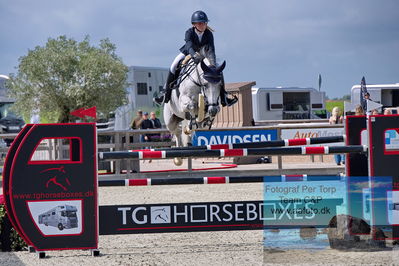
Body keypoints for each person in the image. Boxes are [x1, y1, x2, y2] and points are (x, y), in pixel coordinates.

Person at [154, 10, 237, 107]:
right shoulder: (189, 32)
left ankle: (224, 97)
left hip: (205, 54)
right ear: (194, 24)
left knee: (218, 70)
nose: (203, 25)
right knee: (173, 66)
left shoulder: (209, 34)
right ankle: (165, 95)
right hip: (188, 52)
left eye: (205, 23)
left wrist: (213, 65)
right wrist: (194, 56)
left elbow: (211, 49)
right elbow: (189, 46)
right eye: (200, 23)